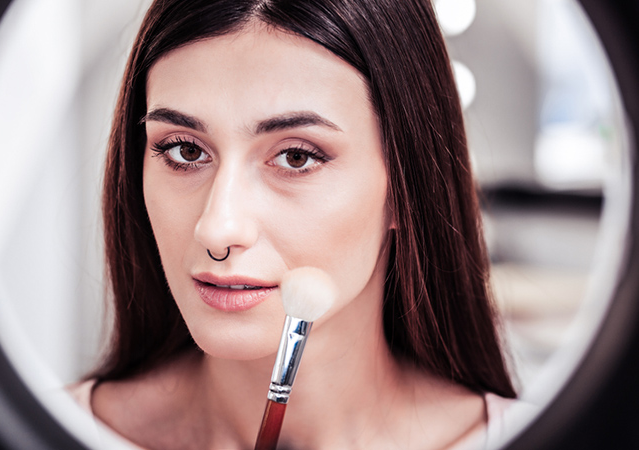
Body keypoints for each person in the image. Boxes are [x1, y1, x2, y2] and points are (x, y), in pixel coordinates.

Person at [71, 0, 518, 448]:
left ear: (406, 184)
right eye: (185, 151)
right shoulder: (36, 427)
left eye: (296, 157)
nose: (218, 228)